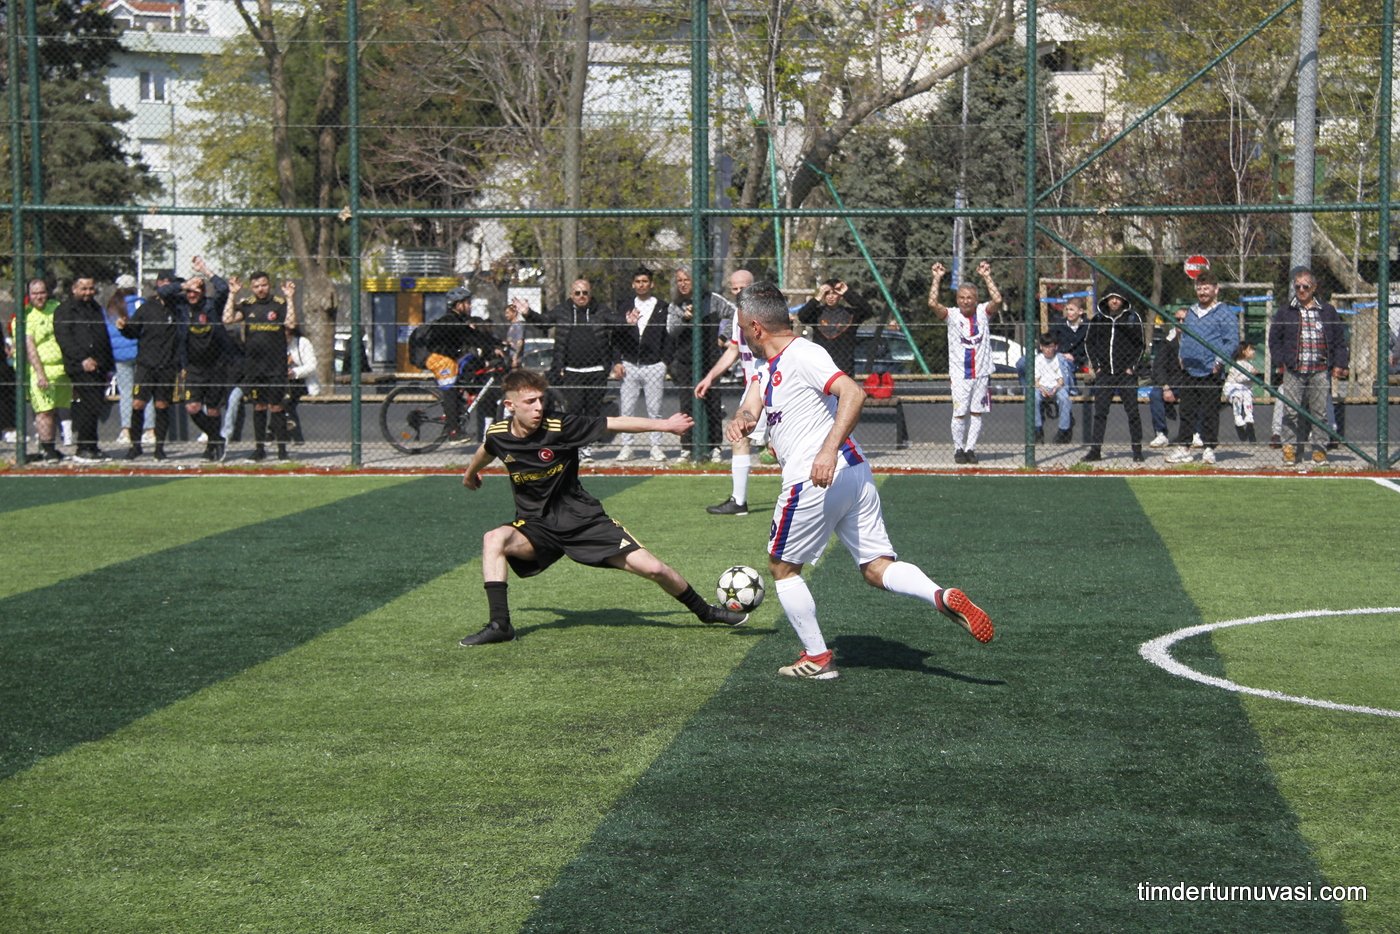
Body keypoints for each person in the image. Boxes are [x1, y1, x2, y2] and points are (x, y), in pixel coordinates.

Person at [725, 281, 992, 680]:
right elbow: (751, 407)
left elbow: (853, 392)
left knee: (782, 568)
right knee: (876, 567)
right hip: (855, 475)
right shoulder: (766, 371)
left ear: (756, 327)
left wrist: (827, 450)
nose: (743, 335)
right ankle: (939, 595)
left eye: (743, 327)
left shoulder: (803, 353)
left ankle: (817, 658)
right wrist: (742, 421)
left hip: (815, 477)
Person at [456, 368, 749, 645]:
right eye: (530, 402)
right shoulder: (498, 433)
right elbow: (486, 450)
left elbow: (615, 422)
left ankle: (706, 612)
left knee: (654, 569)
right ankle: (500, 625)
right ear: (510, 405)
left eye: (541, 400)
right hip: (536, 527)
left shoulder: (561, 426)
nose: (538, 407)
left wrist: (666, 425)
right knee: (493, 538)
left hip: (583, 521)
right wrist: (470, 474)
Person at [509, 278, 617, 463]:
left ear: (590, 294)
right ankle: (573, 448)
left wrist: (629, 320)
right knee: (574, 410)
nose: (581, 296)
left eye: (585, 293)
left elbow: (617, 322)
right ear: (571, 295)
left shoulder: (601, 311)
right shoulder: (562, 310)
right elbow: (543, 322)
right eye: (578, 293)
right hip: (571, 371)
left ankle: (586, 449)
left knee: (592, 411)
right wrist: (528, 313)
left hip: (597, 371)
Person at [695, 269, 763, 514]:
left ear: (753, 286)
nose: (738, 292)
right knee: (739, 436)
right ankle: (739, 501)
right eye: (734, 288)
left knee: (783, 446)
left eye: (742, 287)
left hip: (770, 387)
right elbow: (733, 350)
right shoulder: (737, 315)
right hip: (753, 389)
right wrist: (710, 377)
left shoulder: (765, 314)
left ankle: (806, 496)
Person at [1268, 268, 1349, 465]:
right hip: (1294, 370)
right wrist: (1281, 361)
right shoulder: (1285, 311)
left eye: (1305, 286)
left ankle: (1319, 451)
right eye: (1297, 287)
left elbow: (1339, 340)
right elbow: (1274, 339)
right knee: (1290, 411)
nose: (1301, 290)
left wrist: (1340, 363)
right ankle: (1289, 450)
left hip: (1320, 369)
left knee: (1320, 413)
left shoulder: (1327, 310)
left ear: (1314, 287)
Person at [928, 260, 1002, 465]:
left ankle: (970, 449)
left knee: (977, 412)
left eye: (969, 298)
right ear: (957, 299)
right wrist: (937, 278)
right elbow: (933, 304)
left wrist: (987, 276)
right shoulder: (952, 315)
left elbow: (997, 299)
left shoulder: (983, 312)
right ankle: (958, 448)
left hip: (982, 372)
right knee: (959, 412)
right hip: (960, 374)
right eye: (961, 297)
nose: (965, 301)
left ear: (976, 300)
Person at [158, 258, 233, 460]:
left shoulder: (212, 306)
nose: (192, 295)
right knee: (192, 407)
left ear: (203, 291)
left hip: (215, 365)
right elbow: (162, 292)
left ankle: (211, 446)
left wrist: (205, 271)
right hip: (193, 366)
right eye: (189, 292)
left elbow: (223, 288)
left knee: (214, 409)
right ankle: (216, 438)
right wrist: (185, 284)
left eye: (196, 291)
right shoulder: (181, 306)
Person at [1164, 272, 1237, 465]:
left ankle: (1209, 449)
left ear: (1216, 289)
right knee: (1186, 410)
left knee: (1210, 411)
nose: (1202, 292)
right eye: (1199, 288)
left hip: (1211, 371)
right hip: (1189, 369)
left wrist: (1218, 362)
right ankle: (1184, 448)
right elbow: (1185, 336)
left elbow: (1231, 341)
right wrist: (1181, 355)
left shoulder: (1224, 313)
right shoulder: (1192, 311)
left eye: (1206, 288)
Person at [421, 286, 510, 445]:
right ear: (458, 305)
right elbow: (471, 338)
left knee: (470, 365)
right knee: (450, 389)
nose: (470, 306)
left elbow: (475, 335)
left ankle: (459, 407)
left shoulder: (459, 320)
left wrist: (498, 343)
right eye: (468, 303)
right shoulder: (450, 321)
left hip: (450, 357)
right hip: (438, 359)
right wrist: (493, 347)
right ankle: (453, 431)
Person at [223, 272, 297, 461]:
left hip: (275, 365)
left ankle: (282, 451)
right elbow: (227, 319)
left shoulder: (279, 303)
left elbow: (291, 323)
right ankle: (259, 450)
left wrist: (290, 298)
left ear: (269, 284)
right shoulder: (248, 305)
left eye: (263, 285)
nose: (260, 289)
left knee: (276, 407)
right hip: (254, 366)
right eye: (256, 286)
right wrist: (232, 294)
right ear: (251, 288)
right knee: (259, 406)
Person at [115, 283, 182, 460]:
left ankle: (159, 449)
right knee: (138, 404)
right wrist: (124, 327)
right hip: (146, 365)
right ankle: (135, 446)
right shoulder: (146, 307)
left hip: (167, 366)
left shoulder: (178, 308)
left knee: (161, 405)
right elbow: (133, 331)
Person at [53, 275, 115, 463]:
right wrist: (82, 358)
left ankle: (92, 446)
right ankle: (83, 448)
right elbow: (64, 338)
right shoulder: (65, 310)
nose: (88, 292)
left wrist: (108, 364)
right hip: (80, 366)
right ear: (74, 289)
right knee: (91, 403)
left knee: (95, 405)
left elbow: (102, 335)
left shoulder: (95, 307)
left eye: (91, 288)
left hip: (99, 365)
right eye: (84, 289)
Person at [666, 266, 724, 463]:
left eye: (687, 280)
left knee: (713, 404)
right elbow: (671, 330)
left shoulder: (713, 300)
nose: (683, 284)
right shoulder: (676, 305)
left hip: (710, 362)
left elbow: (734, 314)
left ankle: (714, 447)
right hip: (686, 362)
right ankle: (688, 448)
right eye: (679, 280)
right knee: (687, 405)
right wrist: (685, 318)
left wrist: (724, 337)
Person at [613, 267, 671, 462]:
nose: (641, 285)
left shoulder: (662, 307)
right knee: (627, 409)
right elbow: (616, 335)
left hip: (654, 365)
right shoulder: (625, 306)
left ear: (651, 284)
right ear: (633, 284)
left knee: (655, 409)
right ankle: (627, 446)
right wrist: (617, 361)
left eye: (645, 281)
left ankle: (656, 446)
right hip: (629, 364)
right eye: (638, 282)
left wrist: (665, 362)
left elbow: (668, 337)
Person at [1082, 288, 1145, 463]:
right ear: (1106, 300)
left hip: (1126, 374)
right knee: (1100, 413)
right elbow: (1089, 342)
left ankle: (1137, 450)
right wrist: (1097, 367)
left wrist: (1132, 367)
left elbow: (1141, 345)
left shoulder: (1133, 318)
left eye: (1118, 298)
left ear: (1124, 300)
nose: (1115, 301)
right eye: (1111, 298)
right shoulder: (1098, 319)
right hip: (1105, 374)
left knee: (1133, 413)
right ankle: (1095, 450)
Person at [23, 279, 68, 462]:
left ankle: (51, 447)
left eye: (42, 292)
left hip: (62, 369)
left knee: (54, 410)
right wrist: (40, 373)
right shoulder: (27, 315)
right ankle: (48, 450)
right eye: (35, 294)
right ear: (29, 295)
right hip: (41, 370)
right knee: (44, 411)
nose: (39, 297)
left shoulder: (57, 308)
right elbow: (30, 347)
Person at [104, 274, 150, 447]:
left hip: (120, 355)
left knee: (126, 392)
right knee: (145, 391)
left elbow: (109, 331)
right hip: (140, 352)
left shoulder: (111, 307)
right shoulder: (141, 304)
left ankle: (127, 429)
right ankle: (150, 430)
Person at [795, 278, 875, 375]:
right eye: (827, 293)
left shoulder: (850, 314)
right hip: (821, 366)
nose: (830, 296)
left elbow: (868, 310)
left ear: (840, 296)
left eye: (834, 293)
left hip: (844, 367)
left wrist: (847, 293)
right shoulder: (817, 314)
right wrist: (818, 297)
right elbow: (802, 316)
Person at [1148, 307, 1192, 447]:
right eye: (1177, 319)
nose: (1180, 323)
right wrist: (1166, 387)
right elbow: (1159, 366)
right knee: (1155, 394)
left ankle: (1196, 433)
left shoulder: (1196, 342)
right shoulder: (1167, 342)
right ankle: (1161, 433)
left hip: (1190, 382)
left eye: (1184, 320)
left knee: (1199, 393)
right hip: (1171, 383)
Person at [1032, 332, 1072, 443]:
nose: (1048, 350)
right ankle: (1037, 429)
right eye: (1045, 347)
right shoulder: (1038, 359)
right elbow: (1035, 380)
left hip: (1057, 387)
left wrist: (1055, 389)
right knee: (1034, 397)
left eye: (1051, 347)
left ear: (1056, 347)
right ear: (1041, 347)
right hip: (1041, 386)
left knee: (1065, 398)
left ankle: (1063, 430)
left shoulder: (1060, 359)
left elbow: (1061, 380)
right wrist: (1042, 389)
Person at [285, 325, 319, 444]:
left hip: (300, 381)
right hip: (282, 382)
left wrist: (294, 372)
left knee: (286, 401)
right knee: (281, 399)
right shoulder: (275, 344)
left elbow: (312, 366)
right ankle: (294, 435)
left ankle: (275, 433)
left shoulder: (302, 343)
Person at [1223, 342, 1259, 442]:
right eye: (1251, 349)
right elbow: (1238, 379)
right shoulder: (1237, 364)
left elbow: (1248, 384)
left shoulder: (1249, 365)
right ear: (1243, 352)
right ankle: (1238, 417)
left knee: (1247, 396)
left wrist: (1251, 392)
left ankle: (1249, 416)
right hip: (1232, 387)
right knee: (1238, 396)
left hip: (1244, 389)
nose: (1254, 351)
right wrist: (1250, 374)